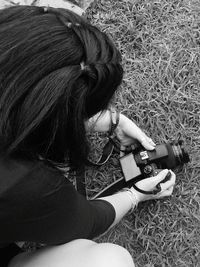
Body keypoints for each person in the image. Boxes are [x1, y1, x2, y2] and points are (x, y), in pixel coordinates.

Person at [0, 5, 176, 267]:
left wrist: (107, 120)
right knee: (110, 261)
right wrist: (136, 194)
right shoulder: (26, 184)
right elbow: (85, 222)